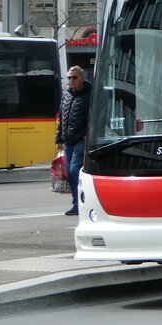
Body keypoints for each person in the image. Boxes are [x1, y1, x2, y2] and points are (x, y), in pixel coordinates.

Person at [55, 66, 92, 216]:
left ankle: (83, 202)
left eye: (75, 77)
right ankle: (77, 204)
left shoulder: (90, 95)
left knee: (75, 170)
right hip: (68, 141)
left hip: (81, 139)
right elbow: (62, 118)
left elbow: (96, 117)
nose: (71, 81)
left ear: (82, 78)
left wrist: (88, 134)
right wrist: (58, 139)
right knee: (70, 174)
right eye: (69, 78)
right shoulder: (67, 95)